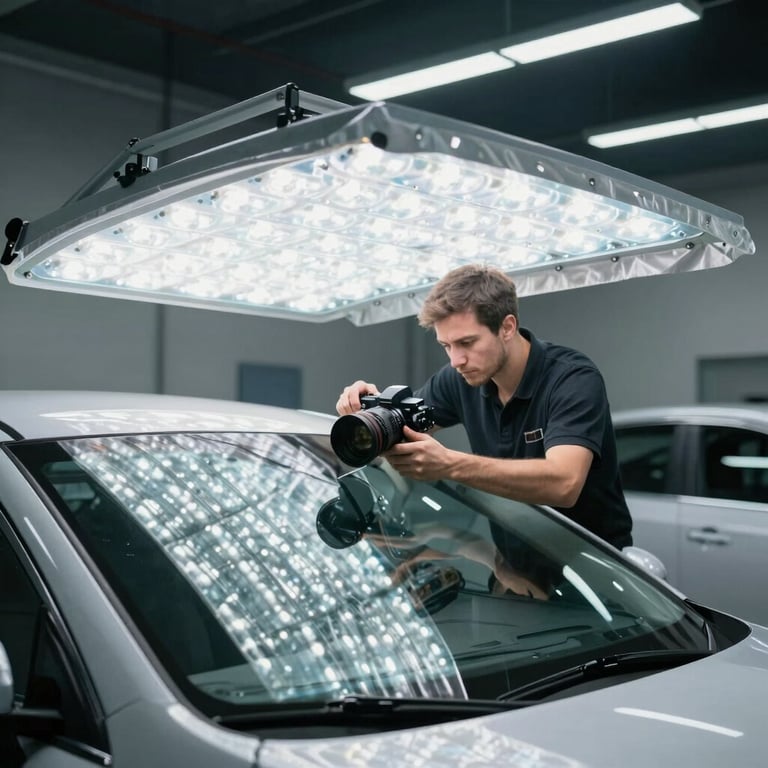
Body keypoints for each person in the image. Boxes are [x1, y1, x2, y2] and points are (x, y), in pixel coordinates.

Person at [335, 263, 632, 549]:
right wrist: (372, 415)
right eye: (446, 346)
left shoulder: (571, 379)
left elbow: (564, 484)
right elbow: (404, 426)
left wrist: (450, 464)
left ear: (507, 327)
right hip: (515, 570)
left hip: (595, 576)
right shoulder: (458, 379)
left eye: (467, 342)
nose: (456, 360)